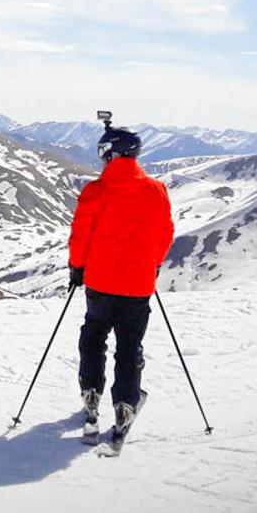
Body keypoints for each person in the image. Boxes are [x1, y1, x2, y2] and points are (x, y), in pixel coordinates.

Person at [68, 121, 174, 450]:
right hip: (137, 284)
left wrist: (77, 268)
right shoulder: (156, 190)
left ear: (112, 153)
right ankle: (125, 405)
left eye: (104, 153)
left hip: (99, 281)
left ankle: (91, 394)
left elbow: (81, 235)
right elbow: (165, 234)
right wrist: (151, 264)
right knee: (129, 347)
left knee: (94, 336)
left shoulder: (95, 191)